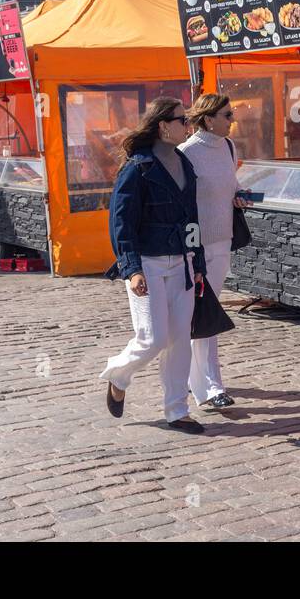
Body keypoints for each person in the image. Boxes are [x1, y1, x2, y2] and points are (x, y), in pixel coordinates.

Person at [100, 96, 209, 434]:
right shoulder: (138, 168)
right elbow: (121, 222)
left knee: (180, 339)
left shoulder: (185, 164)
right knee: (153, 338)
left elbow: (192, 218)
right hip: (147, 264)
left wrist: (199, 263)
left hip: (183, 264)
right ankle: (119, 374)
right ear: (163, 125)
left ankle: (177, 410)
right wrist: (130, 269)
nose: (188, 127)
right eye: (182, 121)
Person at [178, 94, 250, 412]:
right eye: (227, 114)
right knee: (203, 316)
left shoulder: (229, 147)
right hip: (196, 246)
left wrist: (238, 196)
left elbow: (229, 185)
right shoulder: (185, 153)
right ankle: (208, 387)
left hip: (222, 241)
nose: (232, 119)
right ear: (209, 119)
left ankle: (195, 379)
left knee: (206, 313)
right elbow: (180, 203)